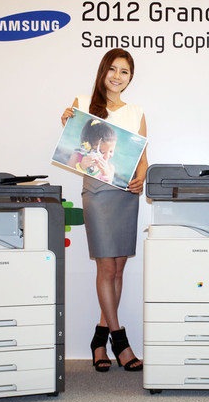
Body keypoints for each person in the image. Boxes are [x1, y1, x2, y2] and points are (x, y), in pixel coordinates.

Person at [61, 48, 148, 372]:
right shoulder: (83, 103)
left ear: (130, 77)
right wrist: (67, 122)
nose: (117, 76)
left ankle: (99, 339)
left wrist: (141, 179)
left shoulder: (136, 112)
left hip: (126, 196)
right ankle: (119, 340)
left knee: (119, 270)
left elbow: (142, 159)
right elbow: (72, 146)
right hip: (97, 195)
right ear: (103, 71)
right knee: (106, 270)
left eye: (124, 71)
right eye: (112, 69)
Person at [67, 118, 117, 183]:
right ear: (87, 147)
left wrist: (106, 175)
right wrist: (81, 167)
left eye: (111, 151)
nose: (107, 156)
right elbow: (67, 178)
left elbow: (107, 188)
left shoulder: (110, 169)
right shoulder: (76, 157)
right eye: (102, 152)